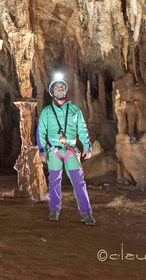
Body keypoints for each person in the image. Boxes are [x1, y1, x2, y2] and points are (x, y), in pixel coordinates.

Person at [37, 74, 96, 225]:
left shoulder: (75, 110)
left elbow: (82, 129)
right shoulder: (47, 112)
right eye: (57, 87)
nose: (60, 89)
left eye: (62, 87)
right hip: (54, 151)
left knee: (79, 182)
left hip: (71, 151)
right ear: (52, 92)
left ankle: (86, 213)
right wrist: (42, 151)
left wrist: (87, 147)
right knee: (54, 181)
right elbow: (41, 132)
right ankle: (54, 210)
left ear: (65, 91)